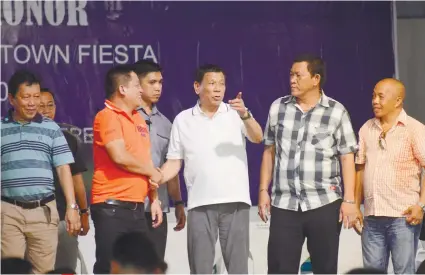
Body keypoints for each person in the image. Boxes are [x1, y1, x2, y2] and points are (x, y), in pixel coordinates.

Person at [155, 64, 263, 274]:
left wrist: (245, 115)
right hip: (200, 204)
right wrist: (157, 177)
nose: (218, 89)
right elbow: (174, 162)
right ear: (197, 87)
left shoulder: (236, 114)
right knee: (200, 268)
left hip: (235, 202)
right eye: (212, 83)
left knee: (238, 268)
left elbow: (258, 137)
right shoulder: (183, 120)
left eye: (221, 84)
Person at [259, 54, 358, 274]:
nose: (292, 80)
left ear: (315, 79)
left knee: (325, 267)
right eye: (291, 75)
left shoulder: (336, 111)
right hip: (285, 203)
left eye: (298, 75)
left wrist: (350, 200)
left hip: (324, 202)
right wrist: (263, 190)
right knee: (279, 268)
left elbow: (347, 156)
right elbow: (269, 151)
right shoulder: (278, 107)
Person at [1, 70, 80, 274]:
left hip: (43, 211)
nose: (32, 103)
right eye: (26, 97)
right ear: (11, 99)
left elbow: (64, 168)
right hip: (8, 212)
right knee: (11, 270)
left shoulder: (51, 128)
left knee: (44, 271)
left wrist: (72, 207)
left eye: (36, 96)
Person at [91, 64, 163, 274]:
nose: (141, 90)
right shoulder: (107, 116)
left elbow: (144, 161)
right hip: (111, 208)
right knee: (110, 268)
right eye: (136, 86)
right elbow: (120, 156)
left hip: (138, 209)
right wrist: (152, 172)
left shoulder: (139, 119)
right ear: (122, 89)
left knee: (139, 269)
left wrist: (155, 197)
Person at [354, 78, 425, 274]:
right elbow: (359, 168)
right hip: (372, 217)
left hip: (403, 217)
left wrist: (421, 205)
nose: (375, 101)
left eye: (380, 97)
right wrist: (355, 205)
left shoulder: (414, 128)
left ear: (398, 100)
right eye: (373, 96)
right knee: (372, 272)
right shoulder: (366, 128)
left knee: (404, 271)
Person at [133, 60, 186, 259]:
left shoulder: (166, 124)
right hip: (130, 206)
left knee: (154, 266)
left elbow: (171, 166)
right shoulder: (126, 117)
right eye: (152, 82)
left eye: (160, 82)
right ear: (137, 84)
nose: (158, 87)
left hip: (157, 209)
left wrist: (178, 202)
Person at [39, 88, 90, 272]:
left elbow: (77, 181)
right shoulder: (26, 138)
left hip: (64, 218)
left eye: (50, 105)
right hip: (36, 220)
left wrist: (84, 212)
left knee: (66, 269)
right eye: (41, 106)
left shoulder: (68, 139)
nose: (46, 110)